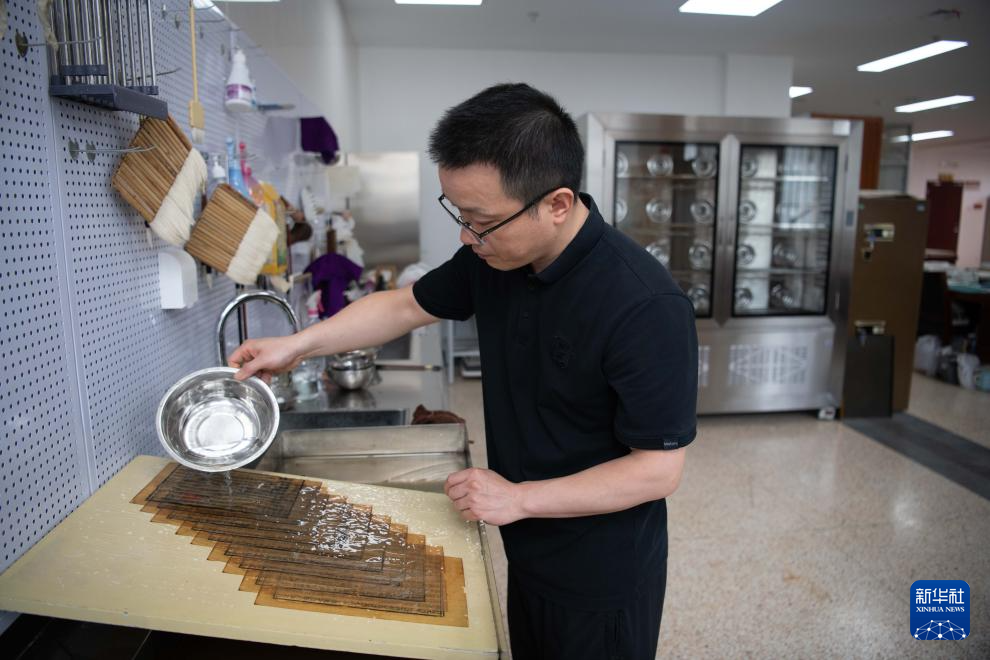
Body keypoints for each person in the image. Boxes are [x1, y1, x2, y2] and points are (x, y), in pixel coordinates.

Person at [229, 83, 698, 659]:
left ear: (557, 204)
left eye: (480, 219)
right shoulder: (495, 257)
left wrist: (519, 499)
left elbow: (657, 470)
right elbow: (405, 306)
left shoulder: (644, 304)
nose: (465, 235)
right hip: (526, 547)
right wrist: (298, 346)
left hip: (601, 571)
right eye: (458, 212)